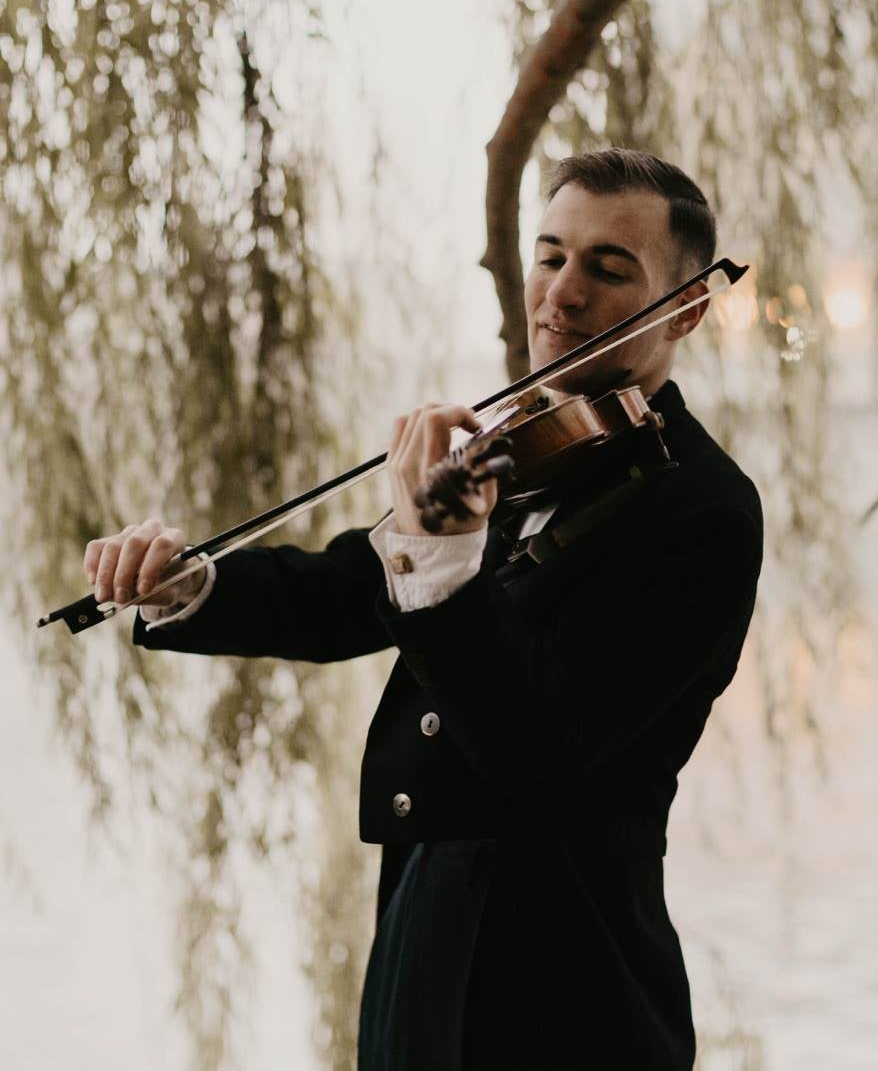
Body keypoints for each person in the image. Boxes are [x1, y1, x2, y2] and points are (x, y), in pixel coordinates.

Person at [83, 149, 763, 1070]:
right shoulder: (520, 448)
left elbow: (542, 745)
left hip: (566, 978)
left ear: (686, 306)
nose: (560, 294)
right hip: (423, 928)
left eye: (608, 270)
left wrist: (445, 563)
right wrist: (192, 584)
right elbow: (353, 590)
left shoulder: (703, 511)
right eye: (550, 255)